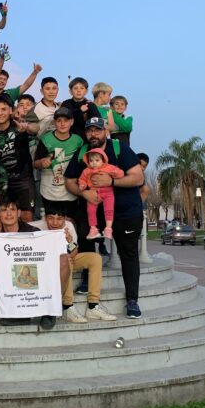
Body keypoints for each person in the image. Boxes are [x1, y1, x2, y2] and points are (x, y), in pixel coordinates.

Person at [64, 116, 145, 318]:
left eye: (97, 130)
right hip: (94, 212)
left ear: (105, 131)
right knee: (84, 237)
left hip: (126, 212)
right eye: (90, 130)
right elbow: (69, 181)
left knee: (129, 254)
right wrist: (84, 193)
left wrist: (112, 181)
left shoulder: (120, 149)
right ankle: (86, 278)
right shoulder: (84, 152)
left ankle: (132, 300)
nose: (93, 134)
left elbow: (138, 177)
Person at [32, 209, 116, 323]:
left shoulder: (68, 226)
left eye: (59, 219)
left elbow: (73, 253)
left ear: (64, 219)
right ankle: (67, 306)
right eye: (51, 218)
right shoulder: (36, 226)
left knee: (95, 258)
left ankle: (93, 305)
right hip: (46, 265)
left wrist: (70, 240)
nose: (55, 223)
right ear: (45, 218)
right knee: (66, 260)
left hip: (66, 261)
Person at [0, 195, 56, 329]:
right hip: (13, 283)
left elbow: (50, 257)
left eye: (12, 209)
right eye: (4, 210)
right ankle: (18, 312)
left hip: (39, 280)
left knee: (62, 261)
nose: (9, 213)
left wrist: (67, 241)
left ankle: (50, 311)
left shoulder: (34, 232)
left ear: (19, 213)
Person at [0, 94, 38, 221]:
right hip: (2, 181)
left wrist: (26, 127)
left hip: (23, 180)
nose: (0, 113)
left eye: (4, 109)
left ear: (11, 110)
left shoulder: (18, 124)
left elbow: (35, 128)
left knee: (27, 217)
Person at [33, 107, 83, 221]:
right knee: (50, 224)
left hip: (70, 192)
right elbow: (35, 163)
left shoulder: (78, 141)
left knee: (69, 224)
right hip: (49, 191)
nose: (62, 124)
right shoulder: (46, 139)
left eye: (66, 120)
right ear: (54, 122)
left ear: (72, 122)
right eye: (59, 120)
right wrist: (42, 162)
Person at [78, 148, 125, 240]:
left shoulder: (109, 167)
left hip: (108, 193)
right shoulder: (86, 170)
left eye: (97, 160)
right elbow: (82, 179)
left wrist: (115, 173)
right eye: (91, 161)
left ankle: (108, 229)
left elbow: (121, 173)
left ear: (103, 160)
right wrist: (82, 185)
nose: (94, 163)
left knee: (109, 210)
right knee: (90, 211)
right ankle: (93, 229)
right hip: (93, 193)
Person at [61, 77, 100, 141]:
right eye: (75, 88)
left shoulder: (90, 105)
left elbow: (98, 120)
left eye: (82, 88)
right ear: (70, 91)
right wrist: (80, 110)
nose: (78, 90)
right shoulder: (66, 103)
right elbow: (64, 119)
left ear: (86, 91)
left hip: (86, 139)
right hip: (69, 137)